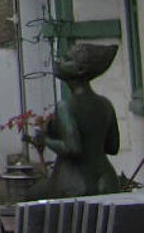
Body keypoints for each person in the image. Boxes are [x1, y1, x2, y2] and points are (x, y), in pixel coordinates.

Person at [26, 41, 124, 199]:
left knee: (30, 197)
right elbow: (113, 147)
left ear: (80, 69)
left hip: (75, 182)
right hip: (107, 180)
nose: (59, 62)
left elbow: (72, 148)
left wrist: (46, 139)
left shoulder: (66, 106)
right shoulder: (105, 104)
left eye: (66, 59)